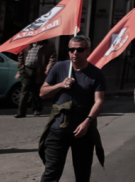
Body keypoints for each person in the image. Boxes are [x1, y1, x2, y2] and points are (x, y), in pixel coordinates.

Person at [38, 35, 106, 182]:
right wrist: (60, 85)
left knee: (82, 174)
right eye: (71, 50)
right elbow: (42, 93)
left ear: (88, 51)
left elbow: (99, 101)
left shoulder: (96, 74)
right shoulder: (59, 67)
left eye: (79, 49)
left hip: (83, 131)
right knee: (51, 172)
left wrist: (87, 122)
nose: (75, 53)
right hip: (58, 129)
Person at [16, 39, 56, 118]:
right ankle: (21, 112)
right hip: (26, 70)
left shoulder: (48, 43)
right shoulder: (27, 42)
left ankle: (37, 109)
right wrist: (21, 68)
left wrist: (48, 67)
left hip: (39, 70)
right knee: (25, 89)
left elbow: (53, 57)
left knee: (37, 90)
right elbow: (20, 55)